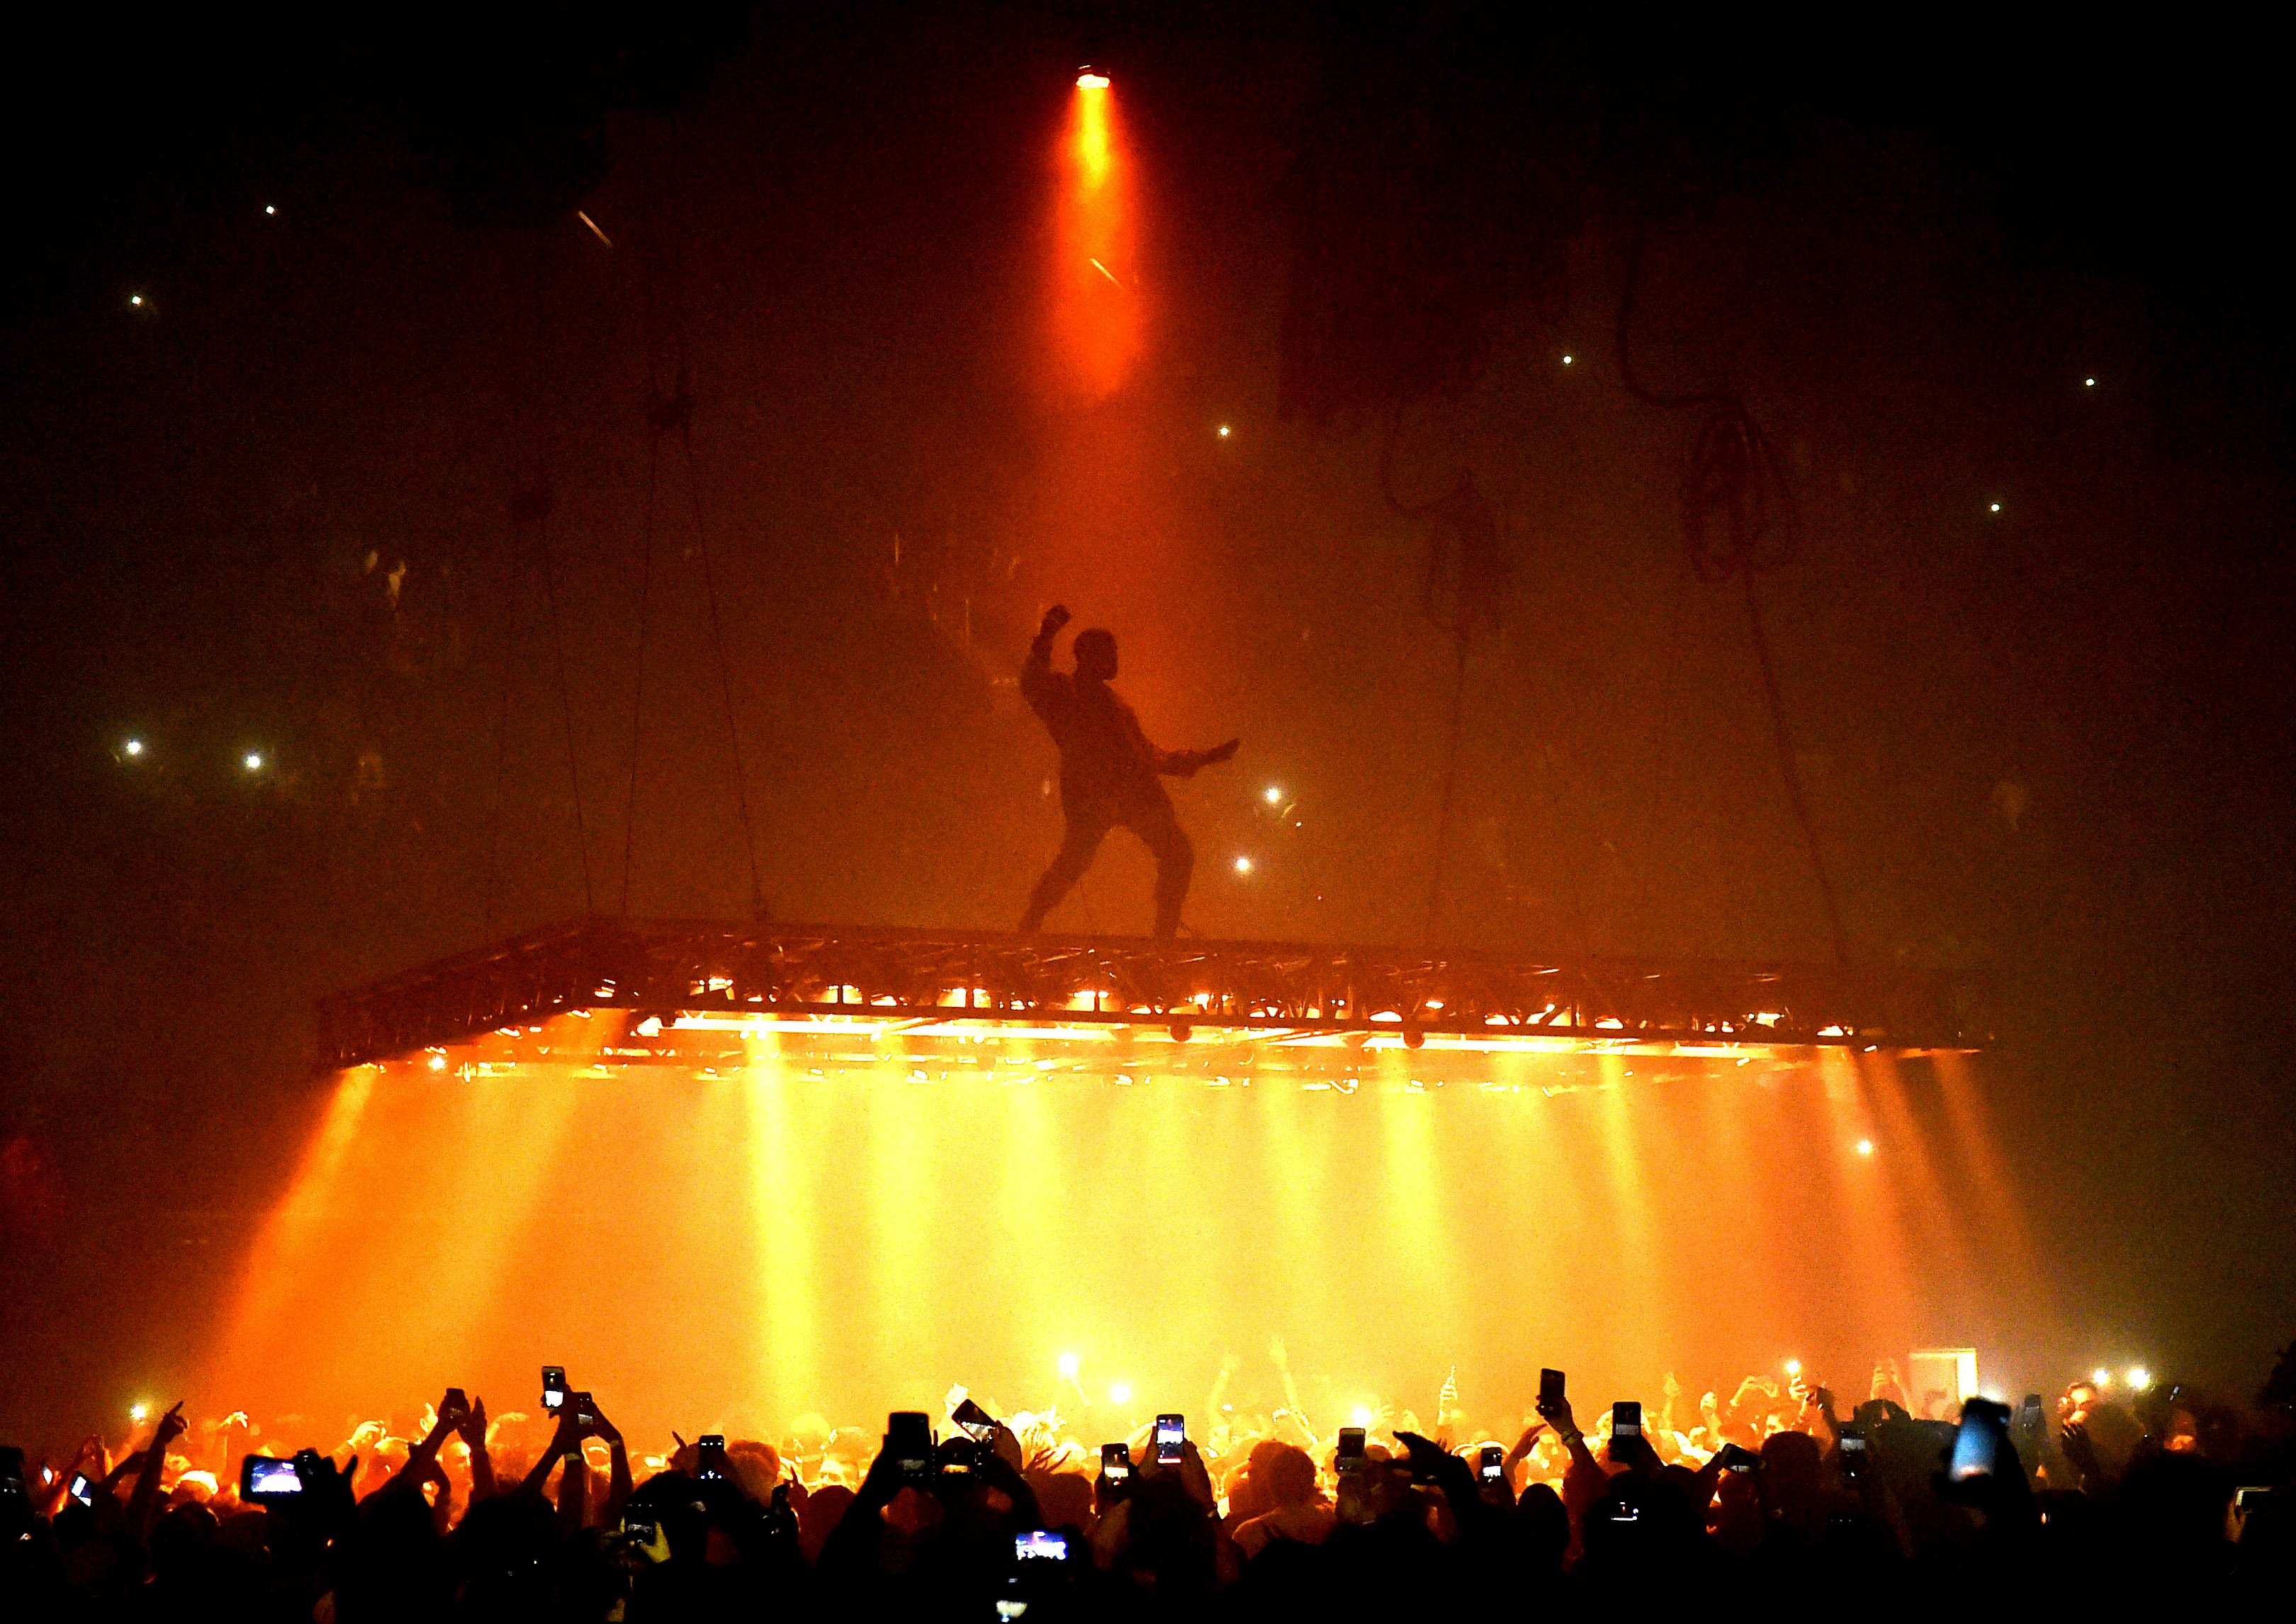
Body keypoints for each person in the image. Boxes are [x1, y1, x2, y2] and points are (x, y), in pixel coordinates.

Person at [1016, 604, 1238, 938]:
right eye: (1110, 652)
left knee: (1174, 854)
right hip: (1095, 792)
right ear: (1091, 657)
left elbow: (1148, 755)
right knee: (1075, 861)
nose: (1116, 659)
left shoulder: (1115, 706)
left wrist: (1206, 758)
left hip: (1126, 791)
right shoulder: (1066, 694)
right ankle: (1032, 921)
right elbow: (1033, 682)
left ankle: (1164, 932)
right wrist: (1046, 635)